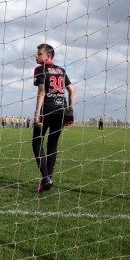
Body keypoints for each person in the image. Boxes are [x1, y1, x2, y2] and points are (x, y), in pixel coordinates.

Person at [32, 43, 75, 193]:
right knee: (52, 145)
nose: (36, 56)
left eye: (39, 53)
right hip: (61, 109)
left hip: (47, 109)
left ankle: (46, 178)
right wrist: (70, 110)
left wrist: (37, 114)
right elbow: (71, 89)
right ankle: (48, 180)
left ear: (47, 55)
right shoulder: (61, 70)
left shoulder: (40, 69)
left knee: (37, 142)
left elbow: (42, 92)